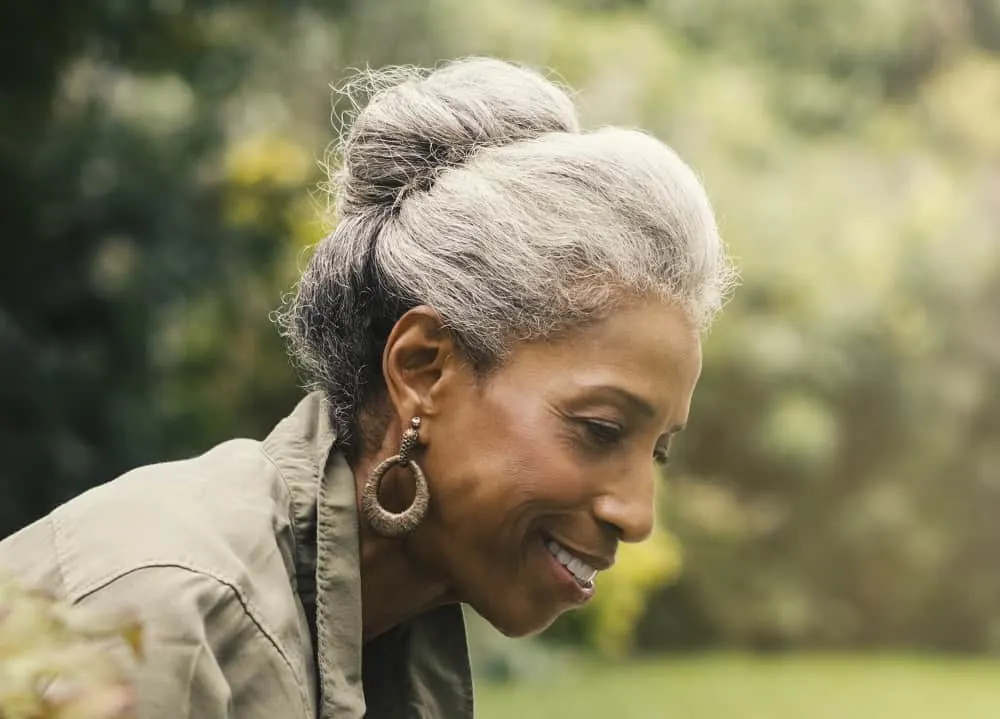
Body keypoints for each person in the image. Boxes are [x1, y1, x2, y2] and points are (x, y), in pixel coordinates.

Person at [0, 57, 735, 718]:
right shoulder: (171, 615)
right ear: (423, 370)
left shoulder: (393, 631)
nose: (636, 513)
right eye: (601, 429)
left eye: (658, 450)